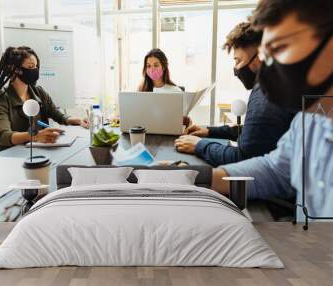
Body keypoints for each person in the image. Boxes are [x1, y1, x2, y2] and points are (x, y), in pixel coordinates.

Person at [211, 0, 333, 219]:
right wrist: (199, 178)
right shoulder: (308, 120)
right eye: (266, 56)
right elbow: (275, 170)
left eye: (279, 48)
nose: (267, 70)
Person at [175, 22, 295, 167]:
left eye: (238, 61)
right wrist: (209, 131)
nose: (236, 69)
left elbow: (243, 158)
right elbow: (256, 133)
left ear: (259, 57)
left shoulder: (266, 96)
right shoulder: (273, 85)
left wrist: (200, 146)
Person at [0, 46, 88, 153]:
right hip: (8, 156)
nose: (35, 70)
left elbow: (58, 115)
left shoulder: (38, 92)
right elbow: (3, 136)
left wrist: (77, 120)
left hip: (35, 152)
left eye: (36, 67)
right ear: (14, 69)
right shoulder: (0, 98)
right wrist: (34, 136)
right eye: (30, 67)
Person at [139, 48, 191, 126]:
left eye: (156, 65)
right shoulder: (141, 90)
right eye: (148, 66)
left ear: (163, 67)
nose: (152, 69)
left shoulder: (176, 91)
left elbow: (185, 120)